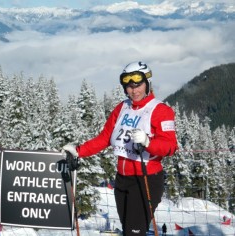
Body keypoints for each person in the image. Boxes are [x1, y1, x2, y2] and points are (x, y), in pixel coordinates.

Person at [63, 61, 178, 236]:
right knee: (128, 230)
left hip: (146, 179)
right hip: (122, 180)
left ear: (147, 83)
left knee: (134, 232)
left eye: (138, 85)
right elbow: (105, 138)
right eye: (129, 86)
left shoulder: (161, 110)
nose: (134, 90)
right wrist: (79, 150)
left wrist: (148, 142)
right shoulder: (122, 108)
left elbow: (171, 147)